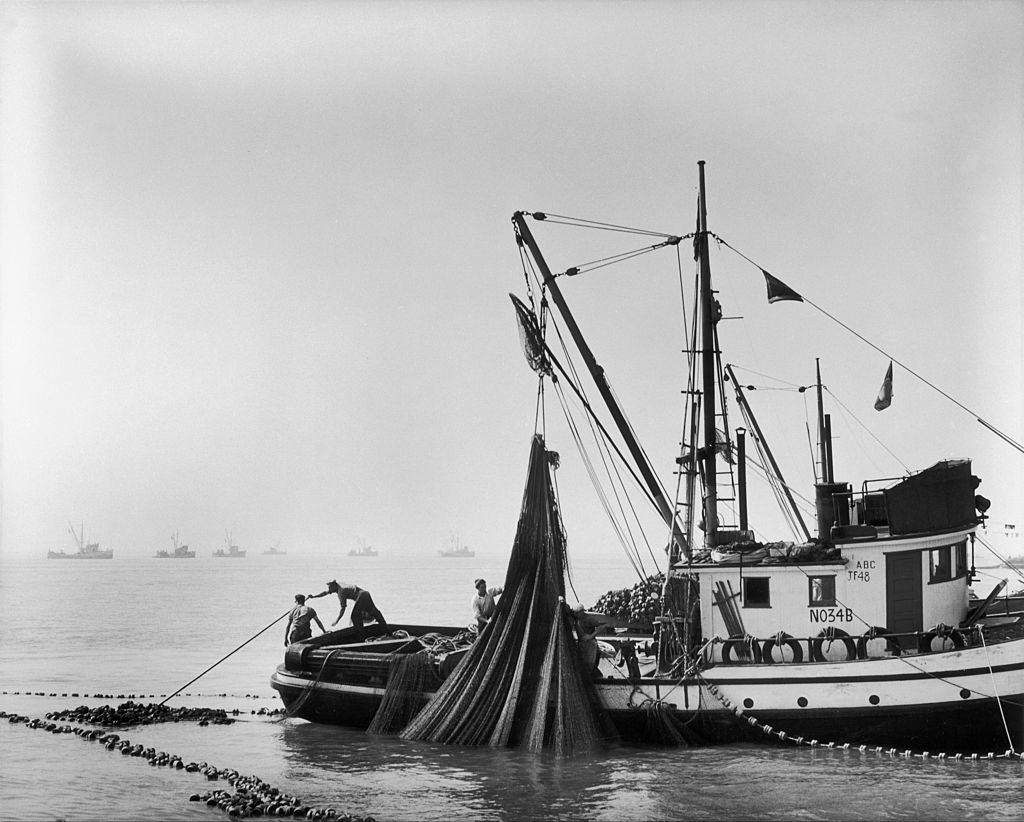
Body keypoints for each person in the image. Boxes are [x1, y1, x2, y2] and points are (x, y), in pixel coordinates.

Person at [307, 579, 386, 630]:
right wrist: (314, 596)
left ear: (334, 586)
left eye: (330, 587)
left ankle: (362, 636)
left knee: (355, 616)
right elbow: (325, 593)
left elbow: (343, 608)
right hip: (365, 593)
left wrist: (337, 620)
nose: (329, 590)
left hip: (361, 596)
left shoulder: (341, 592)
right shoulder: (338, 585)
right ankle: (387, 631)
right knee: (374, 612)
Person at [559, 596, 605, 678]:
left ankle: (592, 677)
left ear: (581, 612)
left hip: (590, 644)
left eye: (577, 613)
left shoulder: (589, 619)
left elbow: (601, 627)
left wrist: (590, 636)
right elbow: (568, 610)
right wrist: (563, 602)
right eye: (575, 613)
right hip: (581, 644)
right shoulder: (576, 618)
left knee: (589, 664)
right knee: (582, 663)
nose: (575, 614)